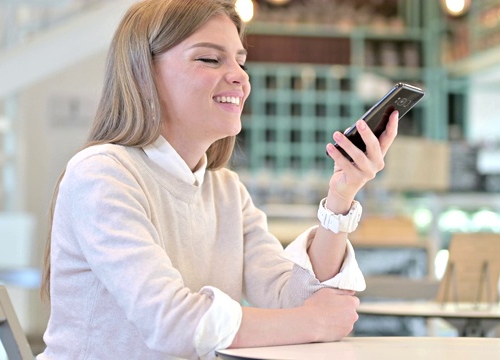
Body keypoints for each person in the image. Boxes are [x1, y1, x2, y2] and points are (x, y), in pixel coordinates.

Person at [37, 0, 400, 359]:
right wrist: (314, 323)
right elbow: (174, 324)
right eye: (210, 59)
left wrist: (341, 195)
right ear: (142, 73)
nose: (241, 76)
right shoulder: (102, 173)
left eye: (241, 62)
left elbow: (291, 298)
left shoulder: (225, 190)